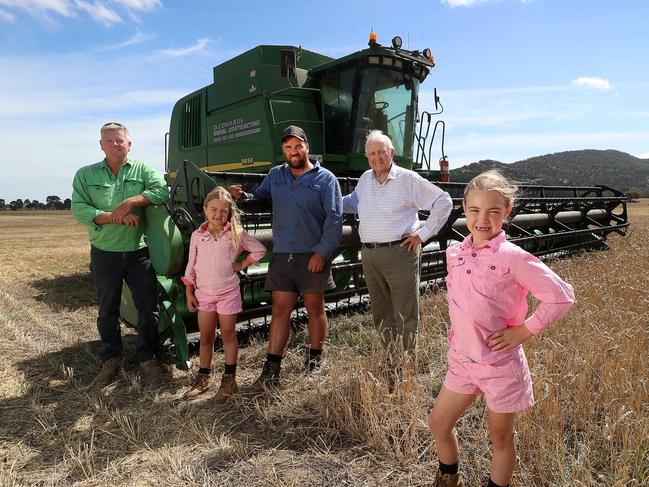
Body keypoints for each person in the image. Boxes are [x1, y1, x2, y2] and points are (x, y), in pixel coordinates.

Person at [427, 170, 575, 487]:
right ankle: (449, 478)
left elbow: (562, 297)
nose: (483, 219)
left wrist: (524, 331)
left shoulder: (513, 258)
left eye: (493, 211)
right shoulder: (455, 253)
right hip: (463, 361)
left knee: (499, 435)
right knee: (438, 422)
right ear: (464, 209)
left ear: (507, 211)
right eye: (475, 210)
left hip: (500, 365)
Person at [229, 125, 343, 389]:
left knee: (315, 308)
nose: (293, 152)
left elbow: (335, 219)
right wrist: (242, 197)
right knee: (280, 311)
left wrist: (322, 252)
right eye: (288, 148)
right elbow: (261, 199)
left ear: (307, 147)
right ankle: (271, 368)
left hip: (312, 255)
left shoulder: (325, 179)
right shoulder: (275, 175)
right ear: (283, 150)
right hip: (282, 255)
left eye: (298, 146)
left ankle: (314, 360)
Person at [71, 122, 170, 385]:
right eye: (109, 141)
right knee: (108, 310)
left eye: (120, 140)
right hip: (105, 253)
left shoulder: (143, 170)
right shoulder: (86, 174)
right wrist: (113, 218)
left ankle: (148, 357)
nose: (115, 144)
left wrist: (132, 201)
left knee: (148, 308)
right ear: (101, 144)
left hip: (140, 252)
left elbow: (162, 191)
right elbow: (79, 209)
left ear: (129, 144)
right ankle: (111, 358)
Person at [342, 130, 453, 352]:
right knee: (381, 311)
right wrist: (324, 200)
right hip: (371, 255)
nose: (377, 157)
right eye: (372, 153)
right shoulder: (365, 179)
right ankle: (390, 357)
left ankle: (407, 361)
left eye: (381, 152)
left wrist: (423, 234)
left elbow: (444, 201)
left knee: (405, 312)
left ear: (392, 152)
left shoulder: (408, 179)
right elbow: (352, 203)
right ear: (367, 156)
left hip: (400, 253)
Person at [181, 186, 266, 402]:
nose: (218, 215)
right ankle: (203, 379)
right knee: (206, 337)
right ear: (205, 209)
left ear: (230, 213)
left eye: (224, 211)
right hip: (204, 295)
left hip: (228, 293)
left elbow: (259, 249)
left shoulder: (235, 234)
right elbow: (191, 266)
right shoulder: (197, 236)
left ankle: (229, 380)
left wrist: (241, 264)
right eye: (213, 210)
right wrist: (189, 291)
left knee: (228, 334)